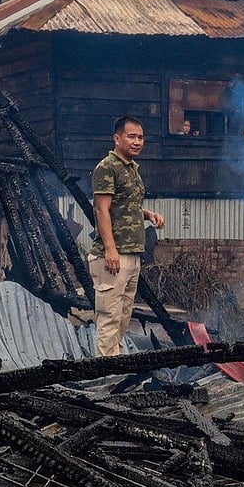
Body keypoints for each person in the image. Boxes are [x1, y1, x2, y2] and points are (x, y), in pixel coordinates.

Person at [89, 116, 165, 356]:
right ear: (117, 138)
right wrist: (111, 249)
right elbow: (101, 209)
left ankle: (117, 367)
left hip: (132, 254)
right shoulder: (107, 167)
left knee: (123, 316)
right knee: (109, 317)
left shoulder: (131, 170)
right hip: (113, 256)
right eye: (131, 136)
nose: (137, 142)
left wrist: (148, 214)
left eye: (140, 137)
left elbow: (125, 206)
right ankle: (107, 375)